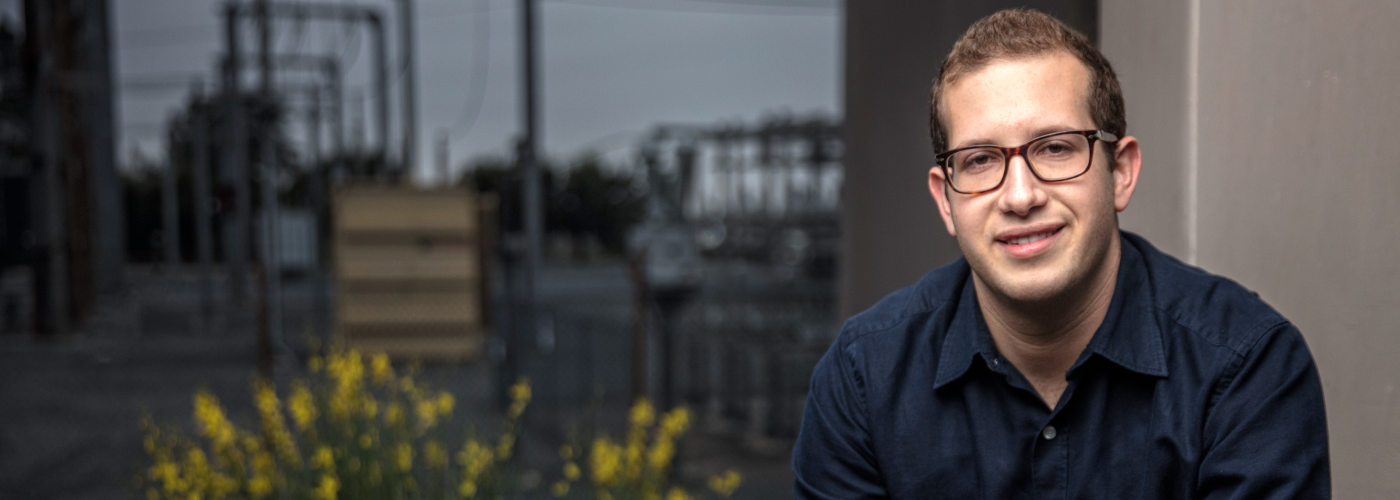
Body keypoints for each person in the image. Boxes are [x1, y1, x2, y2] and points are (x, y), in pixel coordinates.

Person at [793, 8, 1330, 499]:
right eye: (980, 160)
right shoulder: (864, 377)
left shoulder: (1248, 367)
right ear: (946, 200)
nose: (1020, 196)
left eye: (1055, 148)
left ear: (1120, 173)